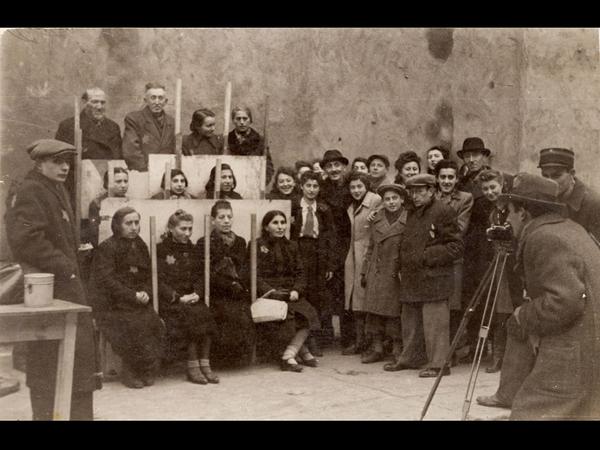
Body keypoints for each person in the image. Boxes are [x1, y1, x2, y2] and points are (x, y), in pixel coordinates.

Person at [477, 147, 600, 409]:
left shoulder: (545, 236)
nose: (507, 218)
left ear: (523, 212)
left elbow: (565, 302)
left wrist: (526, 314)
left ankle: (516, 398)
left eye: (509, 210)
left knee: (533, 410)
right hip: (586, 326)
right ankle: (509, 394)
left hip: (580, 344)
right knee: (519, 322)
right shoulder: (562, 226)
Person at [4, 139, 98, 420]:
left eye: (67, 161)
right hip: (49, 291)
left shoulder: (53, 188)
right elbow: (26, 240)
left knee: (75, 361)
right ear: (39, 163)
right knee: (48, 362)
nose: (65, 167)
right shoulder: (31, 190)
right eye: (57, 162)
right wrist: (65, 264)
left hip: (65, 287)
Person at [386, 174, 463, 377]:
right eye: (412, 192)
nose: (415, 196)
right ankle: (410, 358)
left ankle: (439, 365)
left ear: (431, 191)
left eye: (420, 192)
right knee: (410, 321)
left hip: (434, 276)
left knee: (435, 323)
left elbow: (455, 246)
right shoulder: (412, 212)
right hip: (412, 276)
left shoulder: (443, 211)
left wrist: (425, 256)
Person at [88, 206, 166, 389]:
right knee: (131, 324)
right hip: (112, 303)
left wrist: (146, 291)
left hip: (136, 300)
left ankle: (145, 367)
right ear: (117, 226)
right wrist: (132, 295)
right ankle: (129, 369)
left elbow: (147, 275)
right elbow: (107, 281)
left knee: (153, 322)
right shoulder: (107, 247)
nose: (133, 227)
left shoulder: (140, 244)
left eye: (136, 223)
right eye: (128, 223)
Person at [456, 137, 512, 360]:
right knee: (474, 297)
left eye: (475, 155)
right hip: (475, 248)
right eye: (467, 156)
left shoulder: (497, 182)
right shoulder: (463, 182)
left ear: (484, 156)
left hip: (497, 247)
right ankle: (474, 347)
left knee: (499, 299)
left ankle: (495, 349)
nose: (471, 159)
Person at [157, 210, 219, 384]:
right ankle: (192, 366)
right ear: (171, 228)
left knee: (205, 314)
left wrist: (197, 293)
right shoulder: (161, 249)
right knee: (191, 318)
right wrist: (177, 297)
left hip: (191, 297)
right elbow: (158, 281)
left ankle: (205, 364)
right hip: (172, 301)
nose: (187, 233)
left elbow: (200, 276)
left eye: (190, 229)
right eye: (182, 229)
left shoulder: (193, 249)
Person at [254, 210, 321, 372]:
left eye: (282, 222)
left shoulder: (292, 245)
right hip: (270, 293)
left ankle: (291, 352)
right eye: (275, 223)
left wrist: (297, 290)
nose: (280, 227)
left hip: (290, 292)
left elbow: (300, 272)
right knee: (289, 318)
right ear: (266, 226)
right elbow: (253, 274)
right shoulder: (257, 245)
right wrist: (270, 291)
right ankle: (293, 354)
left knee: (308, 315)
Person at [196, 201, 256, 366]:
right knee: (225, 313)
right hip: (217, 291)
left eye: (229, 217)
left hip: (237, 290)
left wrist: (238, 284)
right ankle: (222, 359)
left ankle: (238, 358)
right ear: (213, 221)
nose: (226, 221)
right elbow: (207, 272)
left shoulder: (240, 242)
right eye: (221, 217)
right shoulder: (205, 242)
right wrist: (229, 285)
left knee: (243, 313)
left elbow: (244, 268)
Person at [475, 169, 518, 373]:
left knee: (513, 309)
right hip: (498, 264)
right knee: (498, 310)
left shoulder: (513, 208)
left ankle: (512, 356)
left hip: (514, 266)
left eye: (493, 187)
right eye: (485, 189)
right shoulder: (493, 212)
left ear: (502, 185)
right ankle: (498, 355)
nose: (490, 192)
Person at [290, 171, 336, 357]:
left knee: (317, 297)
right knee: (302, 294)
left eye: (315, 186)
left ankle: (314, 340)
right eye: (308, 185)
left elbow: (330, 237)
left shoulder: (324, 210)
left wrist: (330, 265)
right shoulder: (293, 207)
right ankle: (302, 340)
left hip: (318, 254)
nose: (311, 190)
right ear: (301, 186)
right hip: (299, 250)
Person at [361, 183, 405, 365]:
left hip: (396, 272)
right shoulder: (377, 218)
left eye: (395, 198)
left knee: (394, 313)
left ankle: (397, 348)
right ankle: (377, 348)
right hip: (377, 272)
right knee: (374, 312)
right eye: (387, 199)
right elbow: (371, 247)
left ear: (402, 199)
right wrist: (364, 271)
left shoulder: (408, 219)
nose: (391, 202)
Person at [434, 159, 473, 354]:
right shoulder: (431, 196)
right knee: (436, 304)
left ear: (457, 179)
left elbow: (459, 228)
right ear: (437, 178)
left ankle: (454, 349)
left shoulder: (465, 198)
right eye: (443, 177)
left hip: (453, 257)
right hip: (433, 259)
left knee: (454, 304)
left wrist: (433, 232)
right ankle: (437, 349)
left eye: (451, 177)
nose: (447, 181)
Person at [342, 172, 381, 355]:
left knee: (367, 301)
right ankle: (360, 341)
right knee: (355, 301)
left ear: (367, 186)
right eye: (352, 187)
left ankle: (371, 343)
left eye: (359, 186)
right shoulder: (352, 205)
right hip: (353, 255)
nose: (356, 190)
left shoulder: (375, 200)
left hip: (368, 254)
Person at [318, 149, 353, 348]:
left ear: (344, 167)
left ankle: (348, 338)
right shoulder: (321, 189)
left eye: (337, 165)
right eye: (329, 166)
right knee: (327, 290)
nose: (334, 169)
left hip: (348, 243)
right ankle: (326, 335)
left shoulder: (351, 187)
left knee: (345, 291)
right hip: (328, 244)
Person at [538, 147, 600, 240]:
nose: (550, 182)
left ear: (572, 173)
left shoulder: (594, 204)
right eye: (545, 176)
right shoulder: (541, 197)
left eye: (556, 176)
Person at [55, 87, 122, 160]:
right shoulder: (69, 126)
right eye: (95, 102)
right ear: (84, 102)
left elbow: (118, 157)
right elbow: (61, 159)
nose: (99, 107)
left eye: (102, 103)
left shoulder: (113, 127)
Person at [122, 83, 175, 172]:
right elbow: (131, 151)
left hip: (166, 172)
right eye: (153, 98)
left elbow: (174, 149)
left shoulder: (172, 122)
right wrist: (145, 170)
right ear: (146, 100)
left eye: (160, 98)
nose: (157, 102)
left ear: (165, 101)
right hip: (143, 171)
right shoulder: (134, 119)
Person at [227, 106, 274, 184]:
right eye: (238, 119)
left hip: (252, 183)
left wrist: (261, 182)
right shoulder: (226, 140)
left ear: (250, 120)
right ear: (233, 121)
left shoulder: (260, 140)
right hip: (231, 184)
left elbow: (268, 166)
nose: (242, 122)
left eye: (245, 118)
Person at [85, 167, 129, 248]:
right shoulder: (97, 203)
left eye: (125, 181)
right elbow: (94, 233)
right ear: (108, 183)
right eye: (118, 182)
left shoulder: (129, 202)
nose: (123, 185)